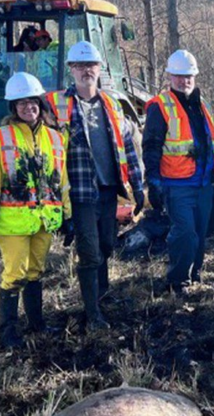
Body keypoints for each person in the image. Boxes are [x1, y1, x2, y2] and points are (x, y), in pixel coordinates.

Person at [46, 41, 145, 331]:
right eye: (79, 66)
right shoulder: (55, 104)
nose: (85, 71)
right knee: (89, 251)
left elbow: (128, 148)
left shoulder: (112, 104)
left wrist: (138, 188)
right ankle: (92, 314)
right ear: (70, 70)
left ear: (100, 69)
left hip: (108, 189)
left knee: (106, 245)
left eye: (90, 65)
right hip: (78, 192)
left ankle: (102, 295)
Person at [0, 71, 71, 348]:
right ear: (13, 108)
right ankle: (9, 330)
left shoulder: (55, 138)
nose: (28, 108)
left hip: (45, 219)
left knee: (36, 272)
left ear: (40, 105)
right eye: (21, 104)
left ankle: (36, 323)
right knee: (15, 274)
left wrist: (68, 216)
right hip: (12, 219)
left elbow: (62, 180)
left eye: (33, 103)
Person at [141, 49, 214, 295]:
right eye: (178, 76)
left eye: (188, 76)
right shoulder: (161, 106)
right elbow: (151, 146)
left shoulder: (202, 104)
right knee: (184, 232)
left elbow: (213, 141)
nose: (183, 81)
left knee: (199, 231)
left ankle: (194, 274)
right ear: (170, 76)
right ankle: (178, 281)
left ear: (194, 77)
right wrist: (153, 182)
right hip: (177, 184)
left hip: (204, 182)